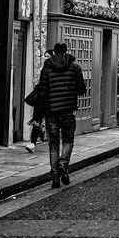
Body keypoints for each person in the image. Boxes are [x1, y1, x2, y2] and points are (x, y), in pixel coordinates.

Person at [35, 41, 86, 188]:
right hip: (68, 111)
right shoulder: (75, 68)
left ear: (55, 52)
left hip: (51, 112)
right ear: (66, 51)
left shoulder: (47, 69)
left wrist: (37, 116)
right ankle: (63, 164)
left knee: (53, 145)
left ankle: (55, 177)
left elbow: (42, 93)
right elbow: (81, 90)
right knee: (68, 140)